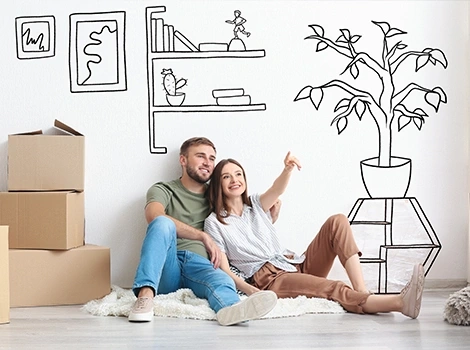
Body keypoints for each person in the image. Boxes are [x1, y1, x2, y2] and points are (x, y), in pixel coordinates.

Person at [204, 152, 425, 319]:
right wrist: (251, 290)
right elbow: (223, 268)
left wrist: (288, 168)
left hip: (293, 263)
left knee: (337, 221)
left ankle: (361, 290)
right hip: (270, 279)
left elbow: (277, 189)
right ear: (218, 184)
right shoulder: (214, 222)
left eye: (238, 174)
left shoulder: (255, 205)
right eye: (226, 176)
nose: (235, 180)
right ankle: (398, 303)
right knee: (332, 287)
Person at [128, 137, 278, 325]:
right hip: (168, 263)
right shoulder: (163, 189)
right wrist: (201, 235)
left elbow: (242, 216)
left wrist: (268, 216)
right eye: (200, 156)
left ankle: (230, 311)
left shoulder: (217, 194)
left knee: (222, 280)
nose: (208, 162)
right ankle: (145, 297)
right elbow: (154, 216)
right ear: (183, 160)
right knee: (161, 223)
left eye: (212, 158)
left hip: (200, 265)